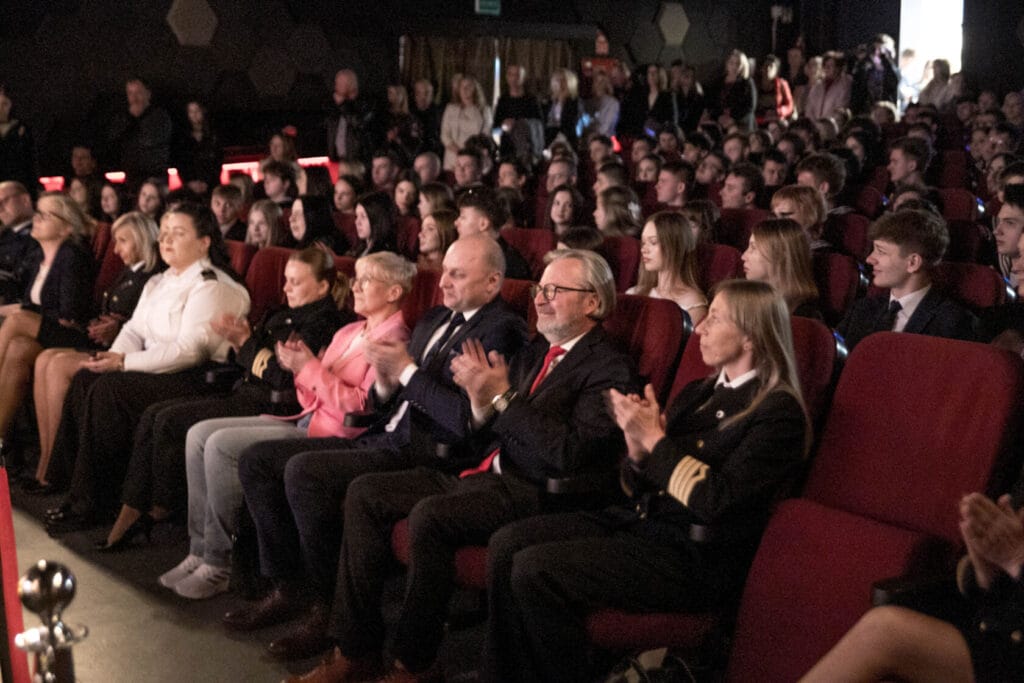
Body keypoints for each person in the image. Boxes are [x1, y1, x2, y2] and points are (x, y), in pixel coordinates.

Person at [289, 248, 632, 680]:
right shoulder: (539, 349)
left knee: (430, 516)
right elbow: (489, 423)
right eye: (540, 289)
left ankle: (413, 663)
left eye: (556, 290)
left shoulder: (608, 366)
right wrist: (479, 400)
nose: (542, 299)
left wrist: (499, 399)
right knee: (366, 492)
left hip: (534, 490)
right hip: (486, 469)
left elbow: (568, 453)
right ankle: (355, 648)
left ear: (593, 302)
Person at [484, 278, 810, 683]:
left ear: (751, 336)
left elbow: (716, 502)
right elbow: (639, 486)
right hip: (642, 523)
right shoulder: (699, 392)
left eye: (717, 318)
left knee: (536, 569)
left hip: (692, 556)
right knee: (507, 542)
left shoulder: (777, 413)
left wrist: (654, 441)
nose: (702, 327)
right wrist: (638, 452)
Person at [220, 235, 528, 661]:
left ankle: (327, 609)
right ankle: (288, 586)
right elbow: (388, 397)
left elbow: (461, 420)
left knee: (304, 473)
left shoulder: (501, 330)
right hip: (387, 434)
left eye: (458, 274)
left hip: (429, 453)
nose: (443, 283)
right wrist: (387, 376)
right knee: (259, 461)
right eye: (444, 271)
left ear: (493, 282)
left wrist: (404, 370)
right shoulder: (436, 317)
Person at [154, 252, 401, 598]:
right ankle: (199, 550)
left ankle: (219, 560)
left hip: (334, 435)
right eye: (356, 278)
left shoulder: (394, 339)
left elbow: (360, 406)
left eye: (366, 280)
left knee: (220, 445)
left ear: (393, 292)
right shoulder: (350, 331)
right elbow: (305, 393)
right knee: (199, 435)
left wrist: (307, 368)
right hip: (306, 420)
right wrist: (299, 366)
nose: (356, 286)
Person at [43, 202, 251, 533]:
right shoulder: (160, 281)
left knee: (112, 390)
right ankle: (75, 490)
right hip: (155, 369)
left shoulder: (214, 285)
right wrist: (112, 358)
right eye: (164, 233)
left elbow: (190, 351)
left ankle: (93, 501)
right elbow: (134, 329)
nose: (166, 241)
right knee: (87, 378)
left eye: (178, 234)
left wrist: (124, 363)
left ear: (204, 242)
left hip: (198, 378)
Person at [800, 490, 1024, 683]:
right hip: (995, 634)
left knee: (883, 632)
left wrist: (1015, 558)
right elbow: (998, 592)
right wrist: (987, 565)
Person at [25, 212, 160, 494]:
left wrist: (118, 326)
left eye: (123, 241)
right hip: (108, 344)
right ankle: (47, 460)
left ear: (141, 239)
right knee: (45, 360)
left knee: (57, 364)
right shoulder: (128, 272)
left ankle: (56, 468)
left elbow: (144, 323)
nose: (117, 249)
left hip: (126, 353)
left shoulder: (153, 275)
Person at [0, 193, 95, 453]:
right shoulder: (38, 258)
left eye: (46, 215)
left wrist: (25, 313)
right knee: (19, 347)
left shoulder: (72, 255)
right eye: (38, 213)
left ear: (66, 226)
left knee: (18, 321)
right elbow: (32, 306)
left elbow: (70, 313)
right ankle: (9, 442)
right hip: (45, 331)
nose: (37, 219)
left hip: (73, 336)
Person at [837, 209, 976, 352]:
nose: (869, 259)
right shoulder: (861, 310)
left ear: (913, 262)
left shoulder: (953, 322)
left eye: (881, 251)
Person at [627, 210, 707, 323]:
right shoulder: (633, 293)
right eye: (643, 243)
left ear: (674, 245)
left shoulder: (692, 303)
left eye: (653, 242)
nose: (644, 250)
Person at [742, 218, 822, 319]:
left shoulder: (806, 316)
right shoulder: (750, 300)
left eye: (753, 248)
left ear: (780, 254)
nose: (743, 256)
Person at [109, 78, 173, 192]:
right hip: (131, 177)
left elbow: (150, 140)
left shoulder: (160, 116)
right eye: (130, 93)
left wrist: (137, 118)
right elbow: (114, 140)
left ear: (148, 94)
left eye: (138, 92)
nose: (134, 98)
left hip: (155, 176)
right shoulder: (122, 117)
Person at [455, 188, 532, 280]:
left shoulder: (510, 266)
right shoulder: (464, 254)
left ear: (483, 224)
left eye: (463, 217)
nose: (456, 222)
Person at [440, 76, 492, 171]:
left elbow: (485, 136)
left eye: (469, 86)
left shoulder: (484, 110)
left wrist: (468, 154)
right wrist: (459, 152)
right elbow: (445, 135)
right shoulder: (450, 108)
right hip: (452, 159)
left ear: (475, 89)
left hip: (474, 158)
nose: (465, 90)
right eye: (462, 87)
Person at [0, 181, 38, 303]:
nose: (0, 209)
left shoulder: (40, 233)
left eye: (3, 202)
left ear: (25, 200)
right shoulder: (5, 234)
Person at [326, 69, 373, 164]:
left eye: (338, 84)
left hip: (356, 161)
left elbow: (359, 123)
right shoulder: (334, 104)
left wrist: (343, 105)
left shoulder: (364, 104)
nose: (335, 86)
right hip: (337, 159)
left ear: (349, 85)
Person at [175, 100, 221, 196]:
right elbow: (180, 161)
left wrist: (207, 182)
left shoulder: (213, 135)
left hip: (211, 184)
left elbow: (218, 160)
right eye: (191, 111)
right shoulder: (182, 137)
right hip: (190, 184)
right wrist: (189, 182)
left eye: (197, 110)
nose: (194, 114)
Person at [771, 185, 831, 252]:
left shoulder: (824, 254)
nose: (777, 221)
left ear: (810, 216)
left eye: (785, 214)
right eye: (774, 216)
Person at [851, 34, 900, 115]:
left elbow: (893, 82)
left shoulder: (894, 70)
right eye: (875, 50)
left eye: (885, 50)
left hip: (887, 114)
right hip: (866, 113)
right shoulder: (864, 69)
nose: (880, 53)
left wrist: (886, 61)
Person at [0, 87, 36, 192]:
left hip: (18, 184)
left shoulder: (22, 128)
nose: (1, 108)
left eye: (4, 104)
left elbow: (30, 160)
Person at [713, 50, 757, 132]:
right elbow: (712, 102)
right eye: (731, 63)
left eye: (738, 64)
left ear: (742, 66)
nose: (734, 67)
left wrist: (733, 119)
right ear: (727, 64)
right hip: (720, 119)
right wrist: (718, 116)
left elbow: (750, 106)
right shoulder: (718, 82)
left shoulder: (747, 83)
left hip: (740, 120)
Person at [803, 52, 852, 121]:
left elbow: (841, 108)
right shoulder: (817, 86)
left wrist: (828, 125)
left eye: (831, 65)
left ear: (838, 68)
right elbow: (809, 108)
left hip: (832, 127)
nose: (827, 68)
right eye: (825, 65)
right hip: (815, 127)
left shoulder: (844, 85)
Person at [347, 191, 398, 258]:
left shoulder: (384, 256)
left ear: (377, 219)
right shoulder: (361, 248)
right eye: (356, 216)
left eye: (363, 216)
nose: (357, 222)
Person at [754, 54, 794, 124]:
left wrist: (779, 111)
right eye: (766, 66)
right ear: (762, 68)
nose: (768, 69)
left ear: (776, 70)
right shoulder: (755, 84)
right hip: (758, 120)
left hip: (776, 119)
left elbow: (790, 105)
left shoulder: (782, 84)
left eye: (771, 66)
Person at [416, 208, 457, 273]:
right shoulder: (415, 268)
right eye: (422, 229)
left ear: (446, 233)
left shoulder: (452, 269)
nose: (421, 234)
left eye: (430, 229)